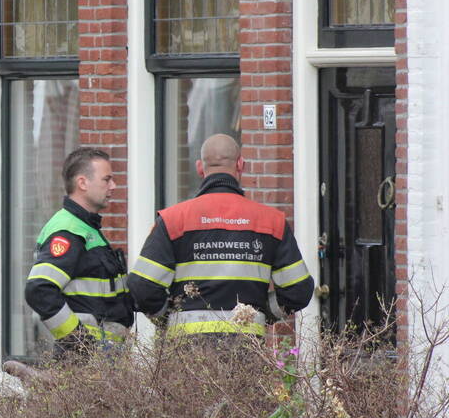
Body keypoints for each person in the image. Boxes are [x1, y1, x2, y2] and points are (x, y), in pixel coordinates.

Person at [127, 134, 314, 337]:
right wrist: (263, 313)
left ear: (200, 168)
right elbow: (298, 290)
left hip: (185, 355)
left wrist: (165, 316)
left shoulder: (173, 220)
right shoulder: (271, 222)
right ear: (241, 165)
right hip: (246, 349)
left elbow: (141, 286)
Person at [25, 148, 133, 356]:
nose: (113, 186)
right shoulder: (69, 231)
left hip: (102, 362)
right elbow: (39, 290)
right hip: (85, 364)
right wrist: (79, 342)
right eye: (106, 179)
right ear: (82, 183)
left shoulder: (86, 228)